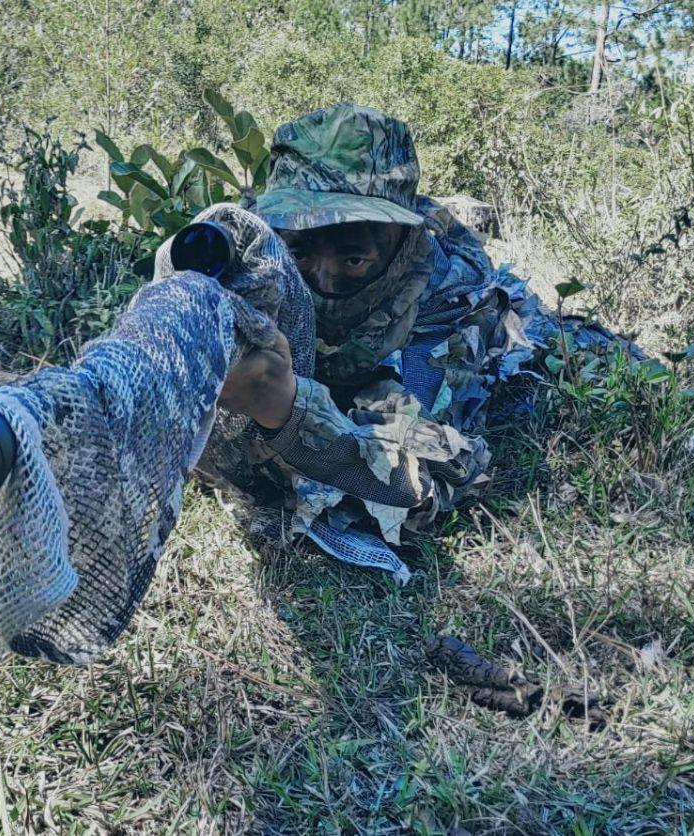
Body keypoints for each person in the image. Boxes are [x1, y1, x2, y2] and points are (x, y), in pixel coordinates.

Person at [186, 103, 625, 582]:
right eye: (301, 251)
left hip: (498, 328)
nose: (324, 280)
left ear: (399, 240)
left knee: (578, 348)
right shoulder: (259, 257)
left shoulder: (445, 305)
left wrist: (285, 411)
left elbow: (433, 479)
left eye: (353, 259)